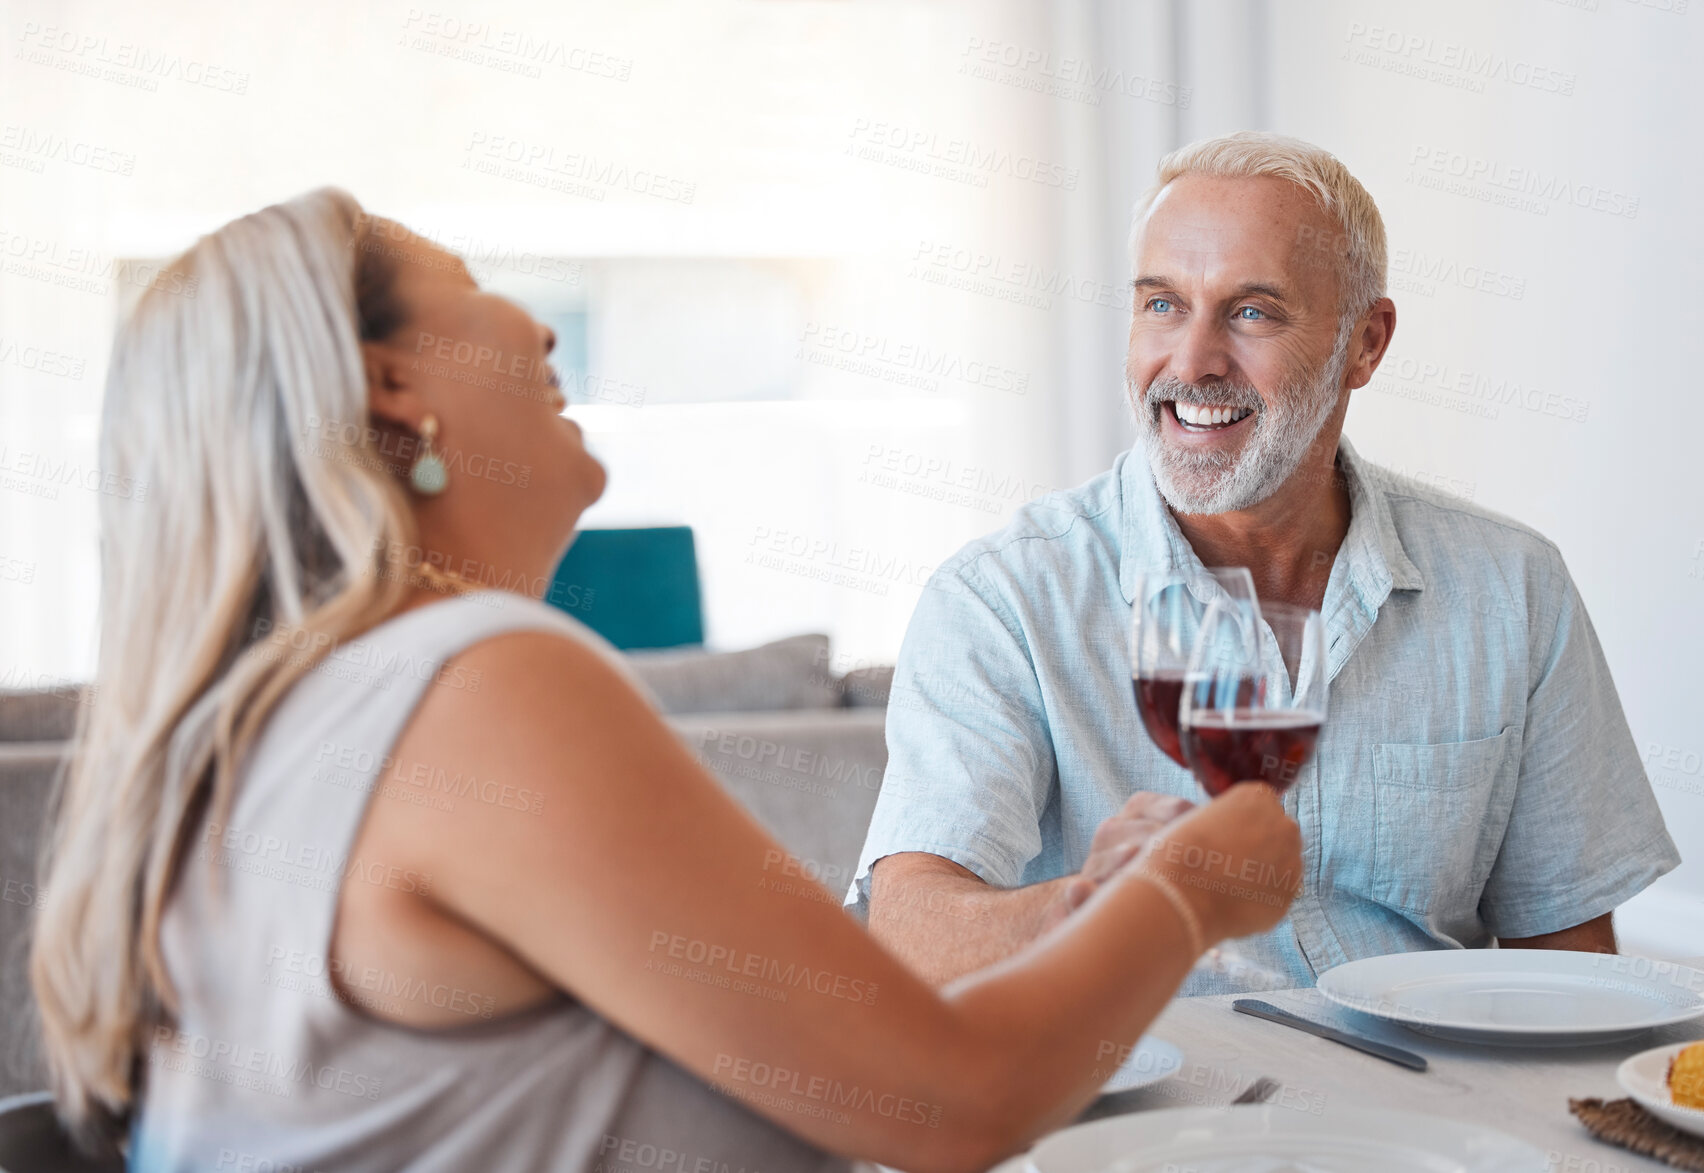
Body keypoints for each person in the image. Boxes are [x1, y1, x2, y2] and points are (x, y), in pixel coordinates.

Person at [27, 188, 1302, 1173]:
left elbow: (819, 1033)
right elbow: (951, 1101)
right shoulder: (476, 685)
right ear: (393, 385)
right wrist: (1192, 896)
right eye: (470, 288)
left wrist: (1089, 900)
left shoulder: (271, 721)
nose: (532, 324)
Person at [850, 130, 1680, 994]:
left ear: (1366, 342)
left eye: (1252, 312)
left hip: (1420, 1108)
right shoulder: (1002, 601)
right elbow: (910, 938)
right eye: (1162, 304)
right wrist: (1112, 902)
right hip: (1147, 1114)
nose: (1192, 362)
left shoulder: (1513, 587)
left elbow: (1574, 964)